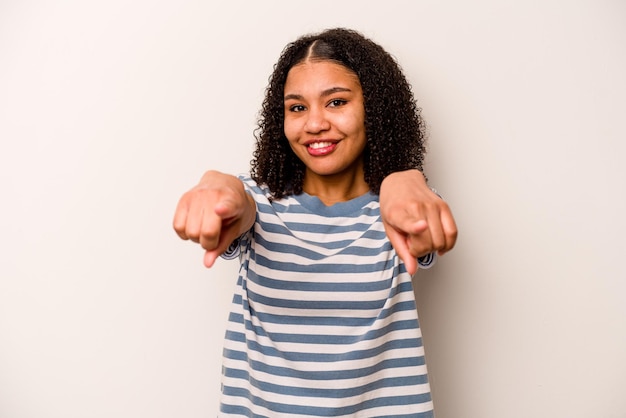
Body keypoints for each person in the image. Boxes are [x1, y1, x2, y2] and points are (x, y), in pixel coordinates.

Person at [173, 28, 457, 417]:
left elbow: (419, 224)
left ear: (374, 108)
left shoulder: (403, 209)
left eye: (336, 102)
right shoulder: (258, 203)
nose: (314, 124)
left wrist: (402, 180)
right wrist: (216, 184)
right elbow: (237, 201)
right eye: (297, 107)